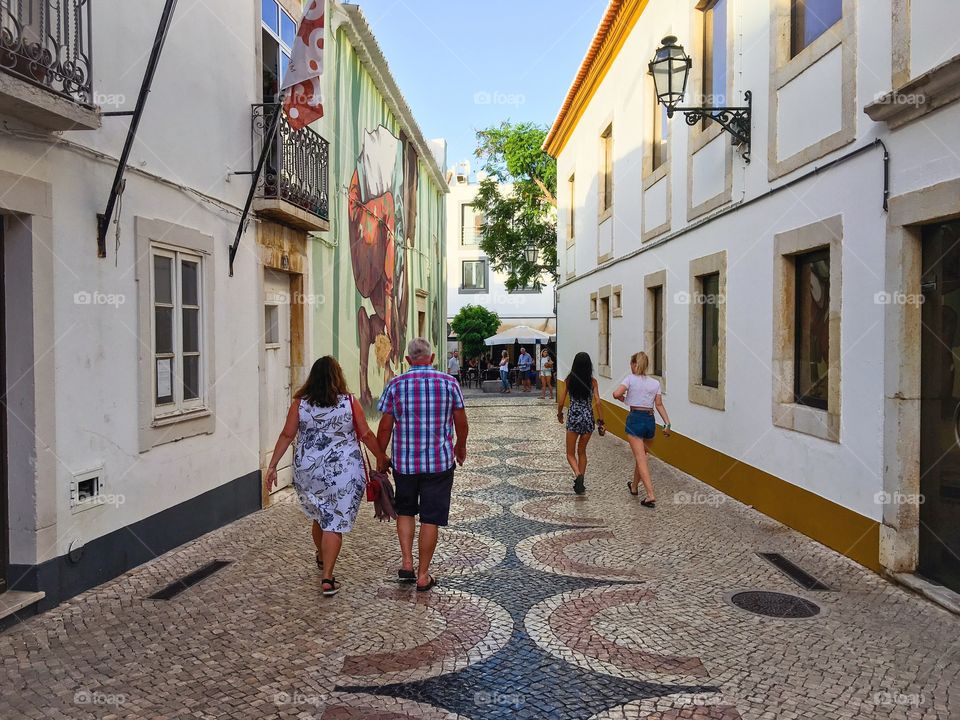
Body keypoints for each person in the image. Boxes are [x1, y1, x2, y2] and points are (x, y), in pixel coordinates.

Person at [265, 356, 389, 596]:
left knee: (320, 516)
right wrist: (380, 456)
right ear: (337, 377)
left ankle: (322, 556)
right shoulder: (349, 402)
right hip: (343, 473)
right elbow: (365, 434)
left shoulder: (300, 404)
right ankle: (328, 578)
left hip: (309, 473)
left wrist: (272, 466)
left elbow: (286, 435)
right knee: (333, 521)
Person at [377, 338, 468, 592]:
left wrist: (380, 456)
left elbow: (385, 426)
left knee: (405, 511)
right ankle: (423, 575)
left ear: (408, 360)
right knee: (431, 517)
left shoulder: (395, 385)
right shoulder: (449, 383)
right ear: (433, 357)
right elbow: (461, 421)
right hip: (438, 463)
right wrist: (460, 446)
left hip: (404, 464)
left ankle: (407, 563)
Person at [613, 351, 671, 508]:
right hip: (650, 421)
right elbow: (658, 404)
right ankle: (634, 487)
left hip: (635, 420)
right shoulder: (655, 383)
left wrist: (625, 399)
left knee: (640, 458)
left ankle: (650, 495)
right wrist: (667, 424)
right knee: (642, 456)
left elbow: (615, 393)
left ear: (634, 364)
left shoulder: (630, 379)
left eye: (631, 363)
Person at [557, 352, 604, 495]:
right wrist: (601, 421)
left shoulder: (569, 380)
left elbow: (562, 400)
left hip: (574, 418)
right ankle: (581, 482)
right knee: (582, 451)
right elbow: (598, 401)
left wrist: (559, 413)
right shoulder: (593, 382)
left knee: (570, 454)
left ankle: (578, 475)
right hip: (588, 418)